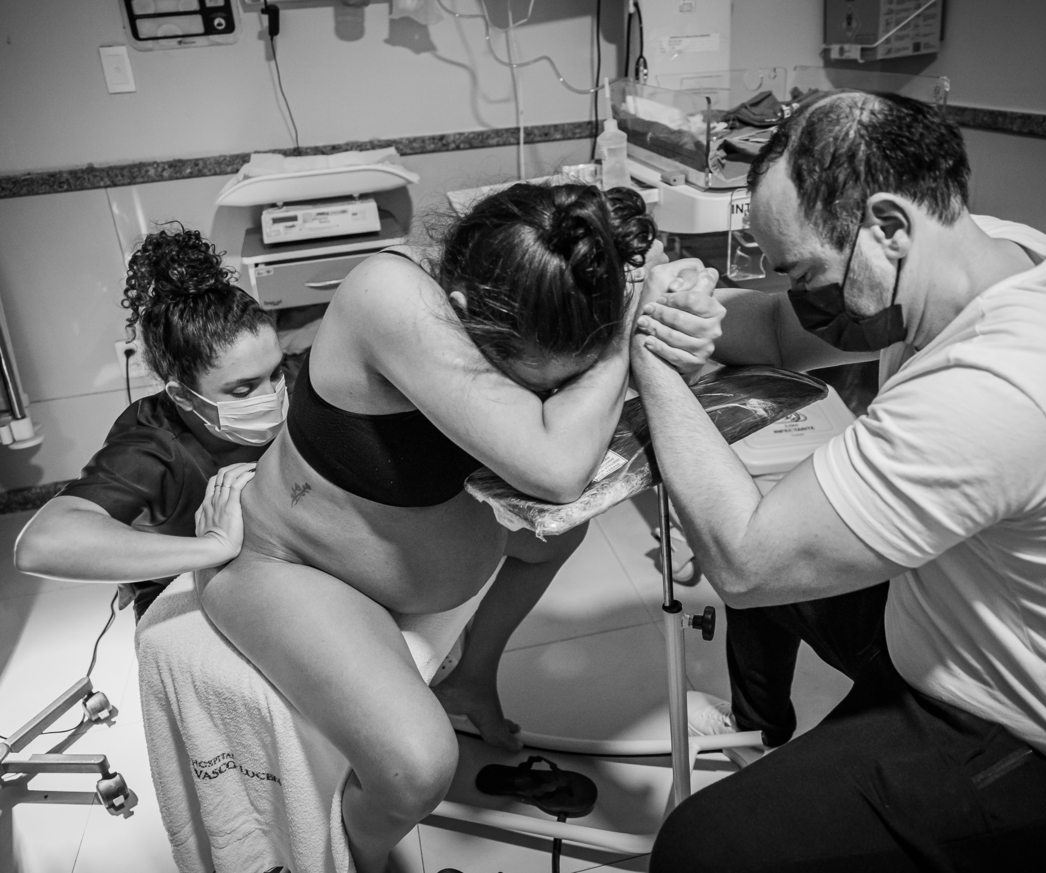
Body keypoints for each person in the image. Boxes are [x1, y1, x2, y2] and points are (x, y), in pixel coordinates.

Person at [631, 90, 1046, 872]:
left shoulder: (997, 384)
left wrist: (653, 360)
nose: (802, 295)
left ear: (888, 227)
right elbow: (782, 334)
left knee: (701, 849)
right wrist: (695, 312)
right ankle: (762, 732)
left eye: (806, 273)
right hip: (964, 621)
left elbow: (744, 559)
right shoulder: (990, 251)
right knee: (777, 534)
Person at [197, 182, 721, 873]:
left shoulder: (539, 279)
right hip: (287, 562)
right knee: (417, 769)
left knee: (559, 534)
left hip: (388, 559)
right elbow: (556, 470)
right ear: (466, 314)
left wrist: (672, 309)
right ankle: (357, 862)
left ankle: (471, 676)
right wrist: (625, 336)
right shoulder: (388, 295)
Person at [15, 225, 285, 619]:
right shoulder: (153, 445)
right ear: (182, 395)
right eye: (243, 391)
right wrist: (214, 547)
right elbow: (42, 544)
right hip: (185, 584)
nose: (272, 397)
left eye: (275, 373)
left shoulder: (293, 386)